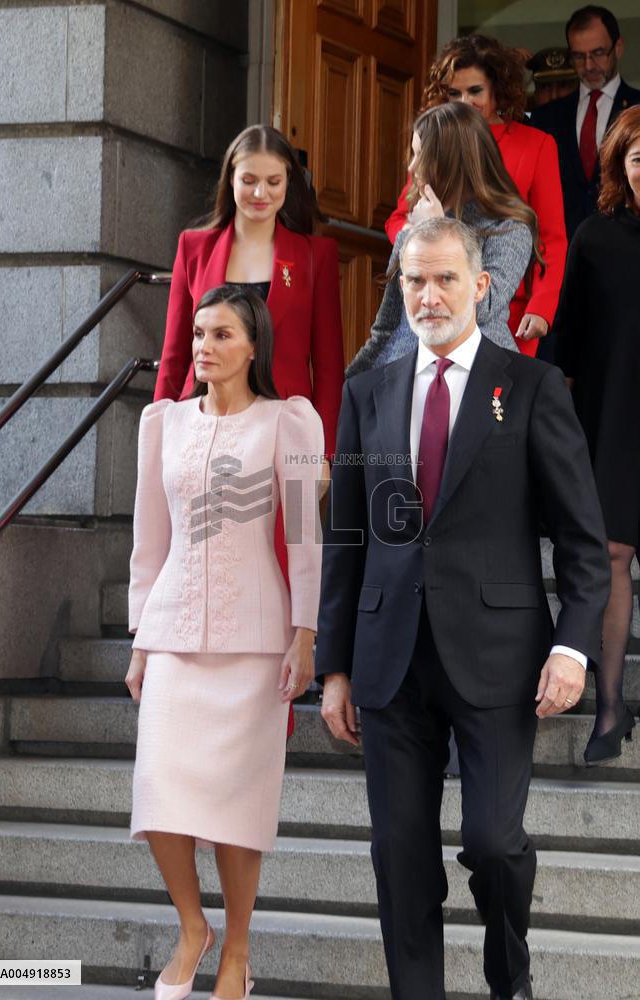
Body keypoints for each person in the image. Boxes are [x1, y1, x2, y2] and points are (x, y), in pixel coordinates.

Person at [317, 217, 610, 1000]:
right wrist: (333, 668)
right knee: (399, 854)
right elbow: (346, 541)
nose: (429, 294)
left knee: (491, 840)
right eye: (414, 279)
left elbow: (585, 542)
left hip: (499, 657)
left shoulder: (533, 387)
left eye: (446, 278)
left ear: (482, 287)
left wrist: (573, 648)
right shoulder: (367, 393)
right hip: (389, 660)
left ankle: (508, 973)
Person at [126, 285, 324, 1000]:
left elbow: (305, 538)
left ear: (253, 346)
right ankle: (192, 927)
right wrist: (141, 639)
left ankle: (237, 948)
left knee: (239, 807)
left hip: (256, 642)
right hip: (173, 634)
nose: (203, 346)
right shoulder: (162, 425)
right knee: (159, 791)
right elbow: (150, 542)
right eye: (200, 333)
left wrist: (305, 635)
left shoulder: (290, 423)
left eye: (222, 335)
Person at [154, 123, 344, 461]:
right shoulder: (193, 247)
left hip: (285, 433)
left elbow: (329, 368)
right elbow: (174, 354)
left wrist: (325, 455)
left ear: (289, 182)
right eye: (249, 181)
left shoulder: (317, 255)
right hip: (202, 425)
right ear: (230, 178)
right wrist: (158, 440)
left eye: (273, 182)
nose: (261, 194)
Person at [385, 34, 567, 357]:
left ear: (498, 88)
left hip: (509, 310)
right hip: (439, 304)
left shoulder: (536, 145)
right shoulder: (435, 143)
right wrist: (426, 235)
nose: (465, 102)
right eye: (454, 93)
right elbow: (401, 217)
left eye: (475, 91)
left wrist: (543, 306)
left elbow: (551, 237)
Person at [553, 105, 640, 764]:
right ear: (621, 166)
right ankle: (609, 707)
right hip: (612, 422)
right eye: (639, 159)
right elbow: (567, 345)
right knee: (611, 555)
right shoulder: (596, 237)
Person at [347, 102, 537, 376]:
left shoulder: (509, 227)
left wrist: (440, 229)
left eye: (420, 156)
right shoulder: (415, 223)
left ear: (451, 159)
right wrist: (351, 387)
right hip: (402, 376)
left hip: (479, 380)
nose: (412, 167)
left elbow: (481, 307)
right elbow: (386, 326)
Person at [531, 5, 640, 240]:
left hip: (625, 248)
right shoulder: (545, 117)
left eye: (598, 53)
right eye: (579, 56)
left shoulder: (637, 108)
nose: (589, 65)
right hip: (562, 256)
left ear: (618, 48)